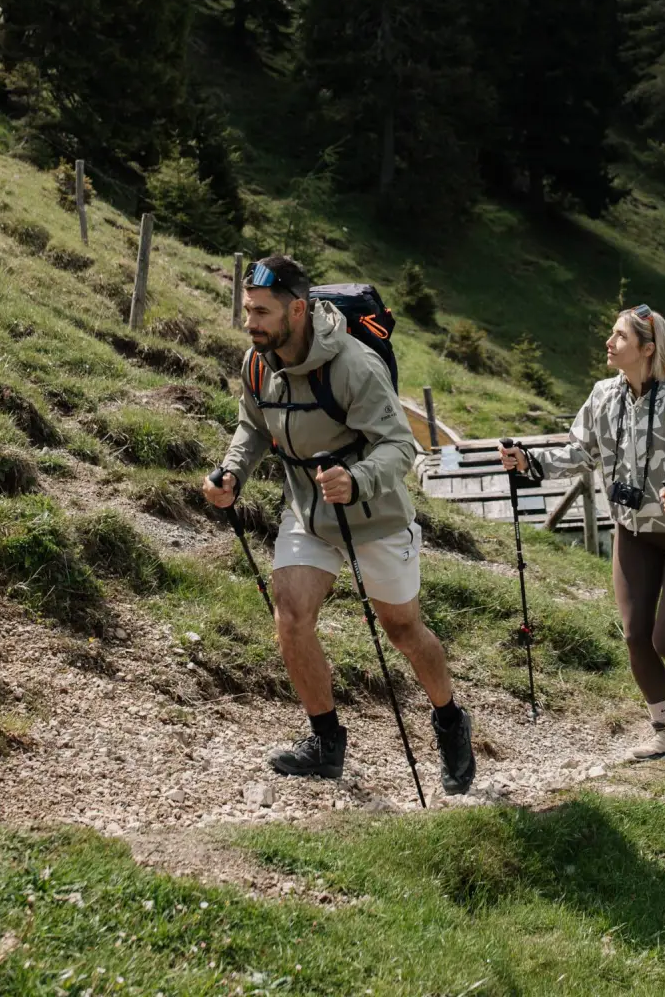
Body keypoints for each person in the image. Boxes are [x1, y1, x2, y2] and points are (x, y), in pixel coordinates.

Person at [203, 254, 476, 794]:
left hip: (376, 516)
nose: (250, 322)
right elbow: (252, 426)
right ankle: (325, 741)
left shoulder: (354, 365)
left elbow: (400, 446)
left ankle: (450, 720)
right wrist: (232, 471)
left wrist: (356, 479)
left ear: (297, 311)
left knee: (403, 630)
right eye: (247, 310)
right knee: (291, 615)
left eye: (261, 312)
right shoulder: (256, 363)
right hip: (308, 511)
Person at [501, 304, 665, 761]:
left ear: (647, 349)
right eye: (612, 334)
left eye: (620, 336)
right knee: (634, 634)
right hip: (632, 533)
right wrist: (528, 460)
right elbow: (578, 453)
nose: (609, 343)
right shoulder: (603, 395)